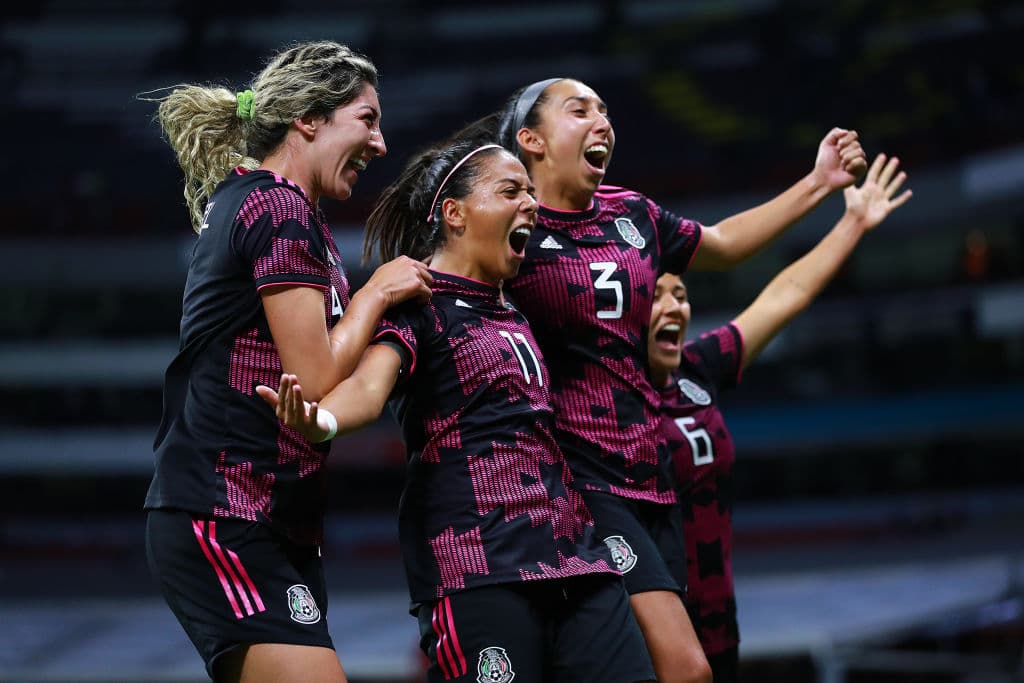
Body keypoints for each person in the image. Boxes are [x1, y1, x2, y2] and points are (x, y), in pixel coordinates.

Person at [485, 77, 870, 683]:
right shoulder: (510, 229)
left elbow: (723, 243)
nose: (601, 121)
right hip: (578, 484)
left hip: (654, 483)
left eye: (605, 111)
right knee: (686, 670)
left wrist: (819, 183)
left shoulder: (634, 213)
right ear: (531, 140)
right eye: (579, 110)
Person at [257, 136, 657, 683]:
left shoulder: (514, 306)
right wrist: (322, 420)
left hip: (579, 559)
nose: (531, 205)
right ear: (455, 214)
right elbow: (369, 388)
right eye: (511, 190)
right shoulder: (418, 306)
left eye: (530, 193)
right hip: (480, 567)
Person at [141, 40, 432, 683]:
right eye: (367, 118)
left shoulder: (277, 207)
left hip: (271, 520)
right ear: (309, 118)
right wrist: (378, 292)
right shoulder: (277, 207)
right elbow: (318, 378)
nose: (381, 144)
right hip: (224, 510)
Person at [649, 153, 912, 681]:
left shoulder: (699, 368)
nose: (675, 308)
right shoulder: (598, 395)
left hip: (720, 624)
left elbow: (785, 295)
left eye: (681, 295)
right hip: (646, 638)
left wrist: (852, 222)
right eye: (656, 297)